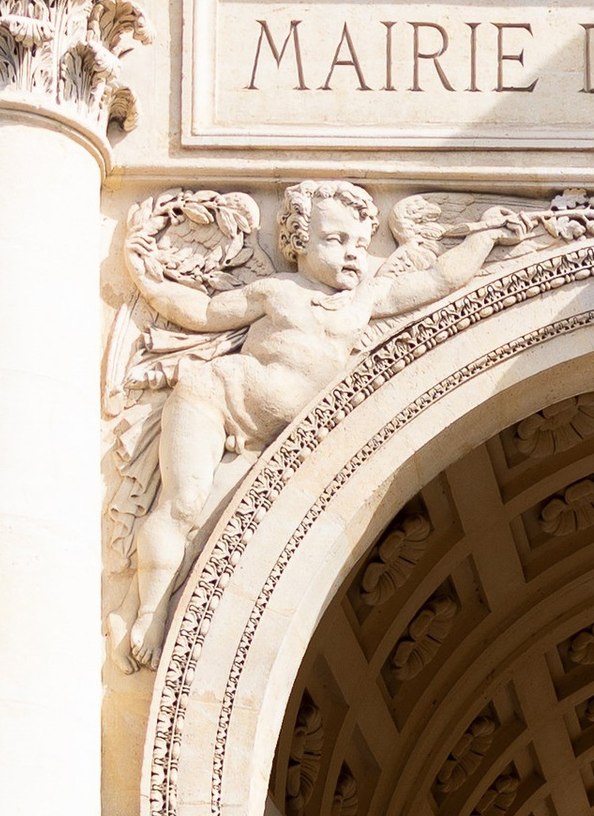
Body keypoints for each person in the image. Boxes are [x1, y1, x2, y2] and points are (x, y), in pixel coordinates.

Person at [125, 183, 513, 660]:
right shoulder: (277, 291)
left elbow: (437, 281)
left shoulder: (365, 300)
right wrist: (147, 281)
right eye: (334, 240)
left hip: (277, 428)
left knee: (189, 510)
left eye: (359, 244)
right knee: (182, 505)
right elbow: (204, 311)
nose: (351, 254)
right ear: (296, 242)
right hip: (216, 395)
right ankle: (151, 609)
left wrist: (485, 238)